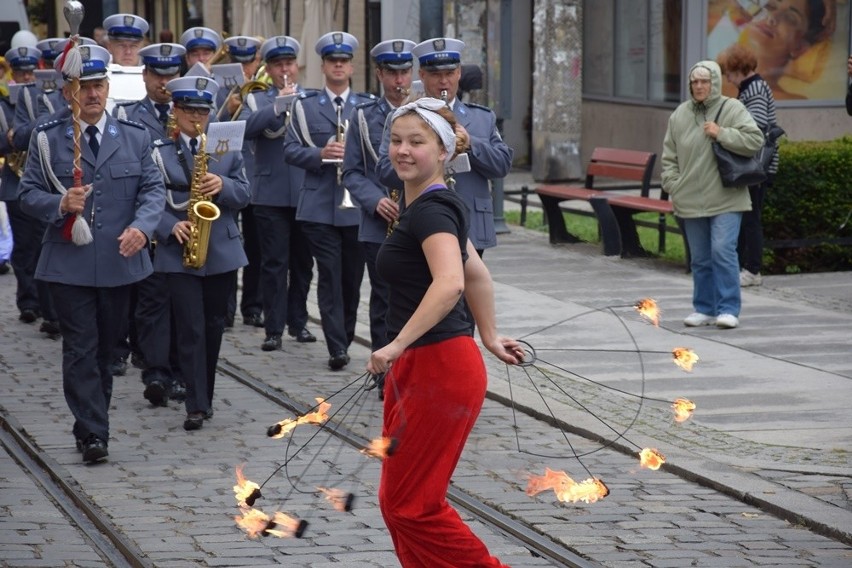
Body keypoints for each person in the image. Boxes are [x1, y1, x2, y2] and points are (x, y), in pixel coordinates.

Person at [367, 97, 523, 567]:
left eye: (417, 142)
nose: (403, 151)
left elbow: (451, 282)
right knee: (401, 504)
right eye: (396, 141)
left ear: (444, 151)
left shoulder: (433, 209)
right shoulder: (422, 205)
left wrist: (395, 344)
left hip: (438, 367)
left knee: (410, 505)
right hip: (427, 366)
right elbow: (475, 273)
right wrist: (491, 337)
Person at [18, 44, 165, 463]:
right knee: (81, 347)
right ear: (69, 92)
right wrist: (60, 204)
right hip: (70, 262)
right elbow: (28, 194)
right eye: (84, 87)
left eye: (99, 86)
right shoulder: (48, 140)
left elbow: (152, 189)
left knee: (107, 351)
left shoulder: (134, 138)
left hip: (120, 263)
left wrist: (142, 226)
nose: (93, 95)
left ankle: (91, 420)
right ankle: (93, 432)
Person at [150, 75, 250, 430]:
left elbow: (244, 194)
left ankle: (203, 394)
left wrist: (223, 185)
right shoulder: (159, 152)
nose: (197, 118)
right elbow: (145, 199)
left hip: (220, 247)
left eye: (203, 111)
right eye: (190, 111)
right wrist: (167, 226)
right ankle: (195, 403)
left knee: (212, 326)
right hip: (180, 250)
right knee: (190, 328)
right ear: (176, 111)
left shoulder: (225, 149)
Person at [283, 31, 374, 370]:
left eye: (344, 61)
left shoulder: (365, 107)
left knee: (352, 278)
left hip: (356, 208)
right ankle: (336, 345)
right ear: (323, 66)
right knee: (329, 274)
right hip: (320, 205)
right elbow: (290, 151)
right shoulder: (305, 107)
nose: (339, 65)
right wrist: (320, 153)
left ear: (351, 67)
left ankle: (345, 335)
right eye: (333, 61)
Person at [376, 37, 513, 256]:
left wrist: (470, 144)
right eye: (436, 75)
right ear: (422, 76)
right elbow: (384, 171)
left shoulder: (481, 117)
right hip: (423, 220)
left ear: (458, 73)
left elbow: (502, 166)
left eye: (449, 74)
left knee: (469, 288)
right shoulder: (403, 116)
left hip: (471, 222)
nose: (443, 82)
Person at [661, 61, 763, 330]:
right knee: (700, 257)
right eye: (695, 81)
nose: (699, 86)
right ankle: (704, 308)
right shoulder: (680, 114)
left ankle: (728, 308)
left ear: (715, 82)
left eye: (705, 81)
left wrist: (722, 133)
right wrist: (673, 183)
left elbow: (755, 140)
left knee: (722, 250)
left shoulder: (732, 108)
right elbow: (669, 155)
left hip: (726, 196)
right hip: (690, 197)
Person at [113, 42, 187, 405]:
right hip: (148, 225)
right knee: (152, 303)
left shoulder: (191, 112)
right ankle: (157, 372)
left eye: (171, 75)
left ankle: (178, 370)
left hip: (184, 224)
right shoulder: (127, 116)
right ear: (145, 75)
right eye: (158, 74)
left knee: (181, 304)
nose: (164, 82)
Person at [342, 38, 415, 397]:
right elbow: (352, 172)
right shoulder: (362, 116)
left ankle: (415, 370)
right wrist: (373, 201)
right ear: (380, 74)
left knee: (419, 297)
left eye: (404, 72)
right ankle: (385, 373)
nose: (399, 80)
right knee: (384, 299)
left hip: (419, 221)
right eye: (392, 73)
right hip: (379, 223)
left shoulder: (423, 113)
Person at [244, 35, 317, 351]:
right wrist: (278, 104)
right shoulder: (258, 99)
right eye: (277, 65)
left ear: (296, 67)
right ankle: (273, 328)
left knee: (303, 263)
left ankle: (298, 322)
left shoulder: (311, 99)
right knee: (274, 263)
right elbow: (248, 128)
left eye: (289, 64)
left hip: (304, 191)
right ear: (269, 70)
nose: (284, 70)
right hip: (270, 194)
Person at [1, 46, 59, 335]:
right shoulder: (11, 100)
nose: (26, 76)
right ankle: (28, 301)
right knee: (25, 249)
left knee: (43, 244)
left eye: (30, 71)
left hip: (44, 182)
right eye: (20, 72)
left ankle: (47, 306)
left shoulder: (44, 96)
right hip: (16, 182)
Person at [717, 43, 779, 287]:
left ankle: (752, 269)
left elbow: (755, 128)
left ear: (738, 68)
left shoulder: (753, 90)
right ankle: (745, 266)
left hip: (755, 167)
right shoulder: (752, 87)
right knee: (747, 215)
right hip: (755, 166)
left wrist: (726, 131)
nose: (728, 79)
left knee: (751, 217)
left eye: (729, 73)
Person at [218, 34, 264, 330]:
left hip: (256, 175)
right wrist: (227, 105)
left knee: (257, 247)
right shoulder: (216, 89)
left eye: (249, 62)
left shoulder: (264, 87)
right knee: (227, 239)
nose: (245, 68)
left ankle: (253, 306)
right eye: (239, 62)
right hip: (227, 172)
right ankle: (226, 309)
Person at [739, 0, 830, 100]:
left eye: (790, 18)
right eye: (770, 6)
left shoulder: (791, 102)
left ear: (799, 48)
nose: (772, 17)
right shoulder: (720, 77)